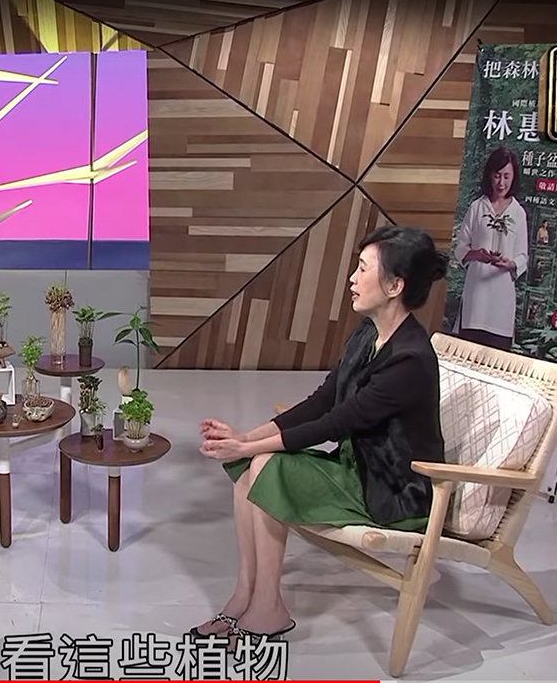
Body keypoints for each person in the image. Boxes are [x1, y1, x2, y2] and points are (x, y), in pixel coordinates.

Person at [191, 225, 448, 642]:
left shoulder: (410, 359)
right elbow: (323, 400)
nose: (352, 278)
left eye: (363, 268)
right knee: (249, 465)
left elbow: (336, 423)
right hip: (358, 469)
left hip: (395, 491)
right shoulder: (368, 333)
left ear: (394, 286)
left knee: (267, 465)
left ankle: (268, 608)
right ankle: (246, 594)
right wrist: (245, 439)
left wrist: (250, 445)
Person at [451, 146, 528, 351]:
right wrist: (476, 254)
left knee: (497, 354)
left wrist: (511, 263)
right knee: (468, 353)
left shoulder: (518, 213)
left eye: (506, 176)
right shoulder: (477, 208)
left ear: (513, 177)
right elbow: (460, 248)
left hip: (502, 298)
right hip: (476, 295)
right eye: (497, 175)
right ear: (489, 176)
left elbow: (523, 256)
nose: (501, 183)